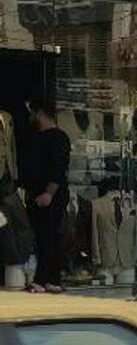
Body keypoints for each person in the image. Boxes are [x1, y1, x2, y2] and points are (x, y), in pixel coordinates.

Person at [20, 98, 69, 291]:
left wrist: (49, 192)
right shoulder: (38, 137)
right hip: (37, 193)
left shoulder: (57, 138)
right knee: (43, 235)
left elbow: (59, 168)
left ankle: (46, 278)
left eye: (32, 112)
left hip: (51, 195)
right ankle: (48, 278)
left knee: (48, 235)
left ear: (40, 113)